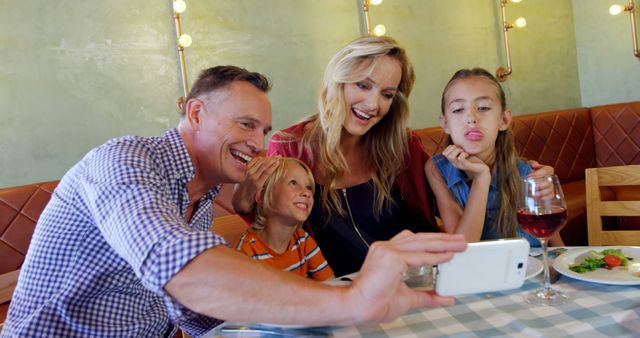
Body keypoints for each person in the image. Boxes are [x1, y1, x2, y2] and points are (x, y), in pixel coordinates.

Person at [2, 65, 468, 337]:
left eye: (265, 131)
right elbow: (174, 263)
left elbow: (190, 309)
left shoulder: (201, 196)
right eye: (246, 124)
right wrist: (351, 300)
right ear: (197, 112)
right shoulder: (123, 160)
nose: (260, 143)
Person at [232, 36, 553, 277]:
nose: (374, 104)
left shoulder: (402, 144)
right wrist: (243, 201)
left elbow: (456, 187)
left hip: (422, 278)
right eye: (363, 85)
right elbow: (274, 222)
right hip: (345, 285)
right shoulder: (290, 146)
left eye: (386, 94)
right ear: (337, 82)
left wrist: (524, 174)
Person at [425, 68, 563, 246]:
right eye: (458, 109)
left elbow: (556, 248)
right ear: (445, 124)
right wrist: (482, 178)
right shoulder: (437, 169)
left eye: (483, 108)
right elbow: (464, 248)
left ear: (503, 120)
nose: (471, 118)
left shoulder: (527, 174)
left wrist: (549, 196)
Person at [235, 157, 334, 281]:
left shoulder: (303, 240)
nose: (306, 193)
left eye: (309, 187)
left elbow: (331, 284)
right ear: (262, 196)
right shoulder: (246, 253)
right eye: (293, 183)